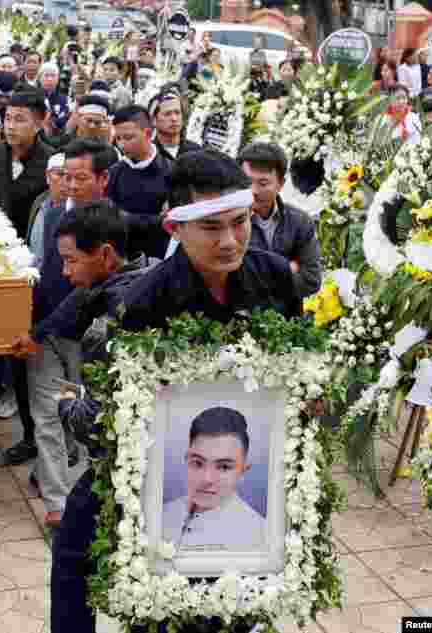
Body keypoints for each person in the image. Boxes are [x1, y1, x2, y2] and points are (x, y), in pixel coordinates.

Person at [51, 150, 302, 633]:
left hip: (243, 468)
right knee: (80, 558)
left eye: (239, 222)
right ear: (176, 228)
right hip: (159, 475)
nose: (229, 241)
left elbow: (294, 366)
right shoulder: (141, 304)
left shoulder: (274, 279)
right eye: (210, 227)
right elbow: (110, 420)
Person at [15, 139, 119, 526]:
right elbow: (44, 270)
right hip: (45, 336)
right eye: (65, 176)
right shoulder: (54, 213)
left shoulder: (115, 224)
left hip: (86, 341)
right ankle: (56, 502)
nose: (71, 185)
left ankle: (83, 495)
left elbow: (85, 295)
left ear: (103, 179)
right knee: (46, 416)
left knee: (81, 417)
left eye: (80, 178)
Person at [0, 90, 55, 465]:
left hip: (36, 268)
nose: (11, 126)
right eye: (8, 118)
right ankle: (9, 393)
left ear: (40, 122)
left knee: (32, 356)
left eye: (20, 119)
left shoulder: (52, 161)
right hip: (0, 264)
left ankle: (36, 435)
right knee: (7, 343)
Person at [161, 407, 266, 550]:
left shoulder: (259, 537)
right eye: (198, 463)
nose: (207, 479)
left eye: (224, 467)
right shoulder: (162, 515)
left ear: (243, 472)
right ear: (187, 460)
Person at [237, 142, 321, 297]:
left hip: (287, 312)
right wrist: (286, 268)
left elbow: (311, 281)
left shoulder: (300, 222)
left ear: (281, 183)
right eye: (247, 182)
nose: (253, 190)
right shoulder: (229, 222)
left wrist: (259, 277)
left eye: (263, 183)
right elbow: (230, 281)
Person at [108, 105, 173, 260]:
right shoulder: (114, 172)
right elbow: (110, 219)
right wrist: (155, 220)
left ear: (148, 134)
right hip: (123, 258)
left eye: (128, 137)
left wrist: (126, 218)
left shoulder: (171, 171)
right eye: (118, 138)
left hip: (159, 258)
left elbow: (171, 222)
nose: (122, 145)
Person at [152, 91, 201, 161]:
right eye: (167, 114)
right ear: (154, 120)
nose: (174, 119)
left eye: (177, 113)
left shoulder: (197, 152)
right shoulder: (148, 153)